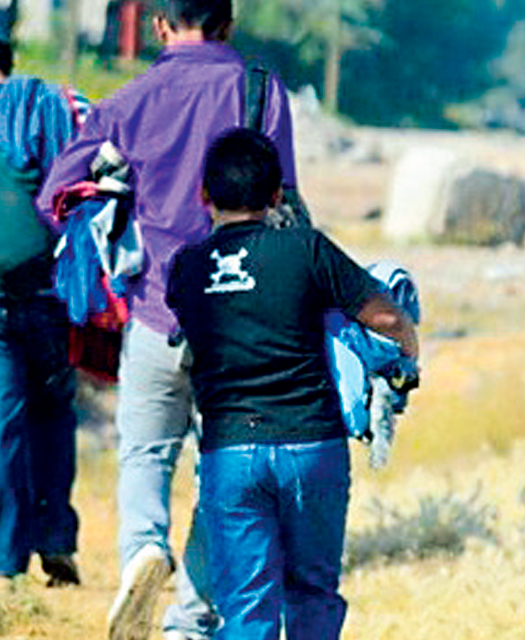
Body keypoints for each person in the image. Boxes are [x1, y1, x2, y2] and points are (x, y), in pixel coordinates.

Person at [36, 1, 296, 638]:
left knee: (146, 454)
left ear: (158, 25)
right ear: (227, 23)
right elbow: (283, 192)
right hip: (241, 322)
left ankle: (142, 551)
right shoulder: (262, 92)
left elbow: (54, 197)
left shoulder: (129, 100)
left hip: (155, 310)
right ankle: (191, 619)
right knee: (225, 470)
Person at [166, 127, 417, 640]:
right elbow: (386, 319)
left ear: (204, 196)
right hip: (311, 446)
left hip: (231, 452)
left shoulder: (185, 268)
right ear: (278, 194)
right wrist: (410, 351)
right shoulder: (307, 249)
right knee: (313, 594)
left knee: (245, 604)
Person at [0, 39, 82, 588]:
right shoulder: (46, 106)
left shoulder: (34, 105)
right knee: (47, 417)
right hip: (47, 296)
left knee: (15, 425)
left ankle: (13, 556)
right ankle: (48, 540)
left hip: (26, 302)